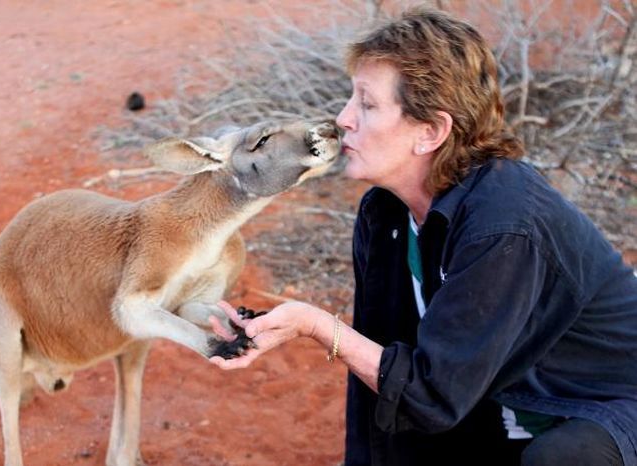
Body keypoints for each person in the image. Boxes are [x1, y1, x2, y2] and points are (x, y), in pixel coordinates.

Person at [209, 7, 637, 466]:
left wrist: (317, 326)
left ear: (430, 131)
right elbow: (389, 377)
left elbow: (433, 393)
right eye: (351, 99)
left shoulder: (503, 224)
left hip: (603, 404)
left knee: (566, 458)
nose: (343, 118)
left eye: (367, 105)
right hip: (507, 397)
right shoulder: (386, 213)